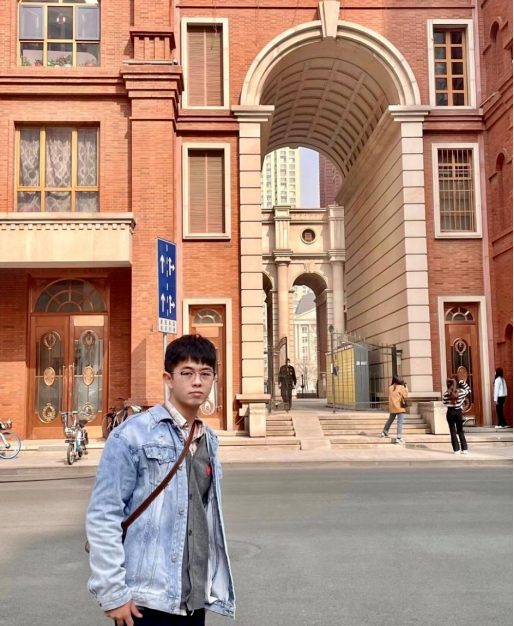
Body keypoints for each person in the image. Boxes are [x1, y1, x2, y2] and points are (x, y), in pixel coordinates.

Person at [86, 334, 235, 626]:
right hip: (146, 602)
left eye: (205, 374)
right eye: (187, 373)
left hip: (193, 600)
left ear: (214, 380)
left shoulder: (209, 439)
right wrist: (113, 593)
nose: (197, 382)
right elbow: (104, 516)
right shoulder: (133, 434)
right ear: (169, 379)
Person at [442, 375, 471, 454]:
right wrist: (463, 383)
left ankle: (456, 450)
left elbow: (444, 402)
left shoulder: (446, 394)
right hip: (458, 412)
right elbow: (469, 390)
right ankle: (464, 449)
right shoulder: (461, 392)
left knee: (453, 431)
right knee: (460, 430)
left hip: (450, 412)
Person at [381, 377, 409, 445]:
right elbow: (405, 396)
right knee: (400, 423)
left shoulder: (390, 387)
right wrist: (406, 387)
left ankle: (384, 432)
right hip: (399, 407)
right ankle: (399, 438)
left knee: (390, 420)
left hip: (392, 407)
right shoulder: (401, 387)